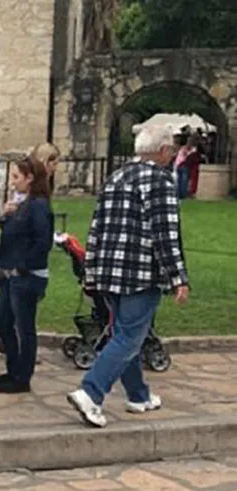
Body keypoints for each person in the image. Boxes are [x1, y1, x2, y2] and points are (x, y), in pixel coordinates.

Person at [67, 124, 189, 429]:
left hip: (110, 272)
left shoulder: (115, 176)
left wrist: (91, 271)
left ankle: (139, 395)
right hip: (141, 273)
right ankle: (91, 392)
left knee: (126, 333)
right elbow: (165, 232)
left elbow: (96, 228)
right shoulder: (160, 180)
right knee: (130, 336)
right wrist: (178, 276)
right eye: (171, 149)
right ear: (162, 151)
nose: (172, 154)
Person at [0, 156, 54, 394]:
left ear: (30, 179)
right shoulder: (23, 204)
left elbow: (41, 241)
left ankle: (22, 376)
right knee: (3, 323)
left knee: (24, 326)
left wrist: (23, 267)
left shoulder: (38, 206)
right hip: (11, 274)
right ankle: (13, 368)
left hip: (26, 276)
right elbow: (15, 234)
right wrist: (6, 217)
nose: (13, 182)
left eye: (17, 177)